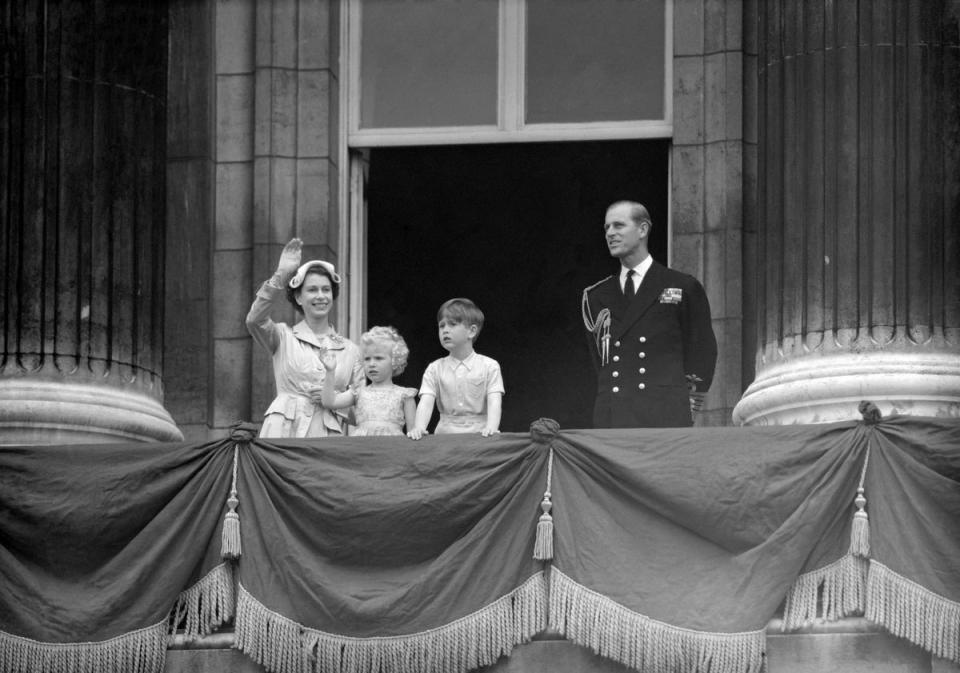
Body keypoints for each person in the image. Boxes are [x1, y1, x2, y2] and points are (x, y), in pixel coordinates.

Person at [581, 201, 717, 428]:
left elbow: (701, 352)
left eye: (618, 226)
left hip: (665, 415)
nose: (610, 234)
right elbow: (598, 362)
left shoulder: (682, 286)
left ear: (643, 229)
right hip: (613, 418)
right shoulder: (595, 296)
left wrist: (686, 405)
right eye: (606, 228)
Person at [246, 238, 364, 438]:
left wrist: (335, 401)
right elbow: (254, 320)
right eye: (312, 290)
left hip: (326, 438)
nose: (321, 296)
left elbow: (364, 409)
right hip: (283, 432)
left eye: (326, 290)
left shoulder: (351, 350)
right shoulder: (283, 336)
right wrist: (281, 275)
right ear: (299, 298)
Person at [407, 298, 504, 439]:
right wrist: (419, 427)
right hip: (445, 436)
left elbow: (494, 400)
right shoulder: (434, 368)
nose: (445, 330)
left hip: (480, 435)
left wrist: (492, 428)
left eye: (452, 324)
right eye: (441, 326)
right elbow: (426, 402)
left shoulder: (490, 366)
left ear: (471, 331)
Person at [319, 325, 417, 436]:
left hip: (392, 450)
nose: (371, 364)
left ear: (395, 360)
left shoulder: (404, 395)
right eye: (367, 359)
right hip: (362, 449)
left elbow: (412, 434)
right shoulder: (359, 392)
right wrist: (330, 371)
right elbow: (329, 402)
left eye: (378, 358)